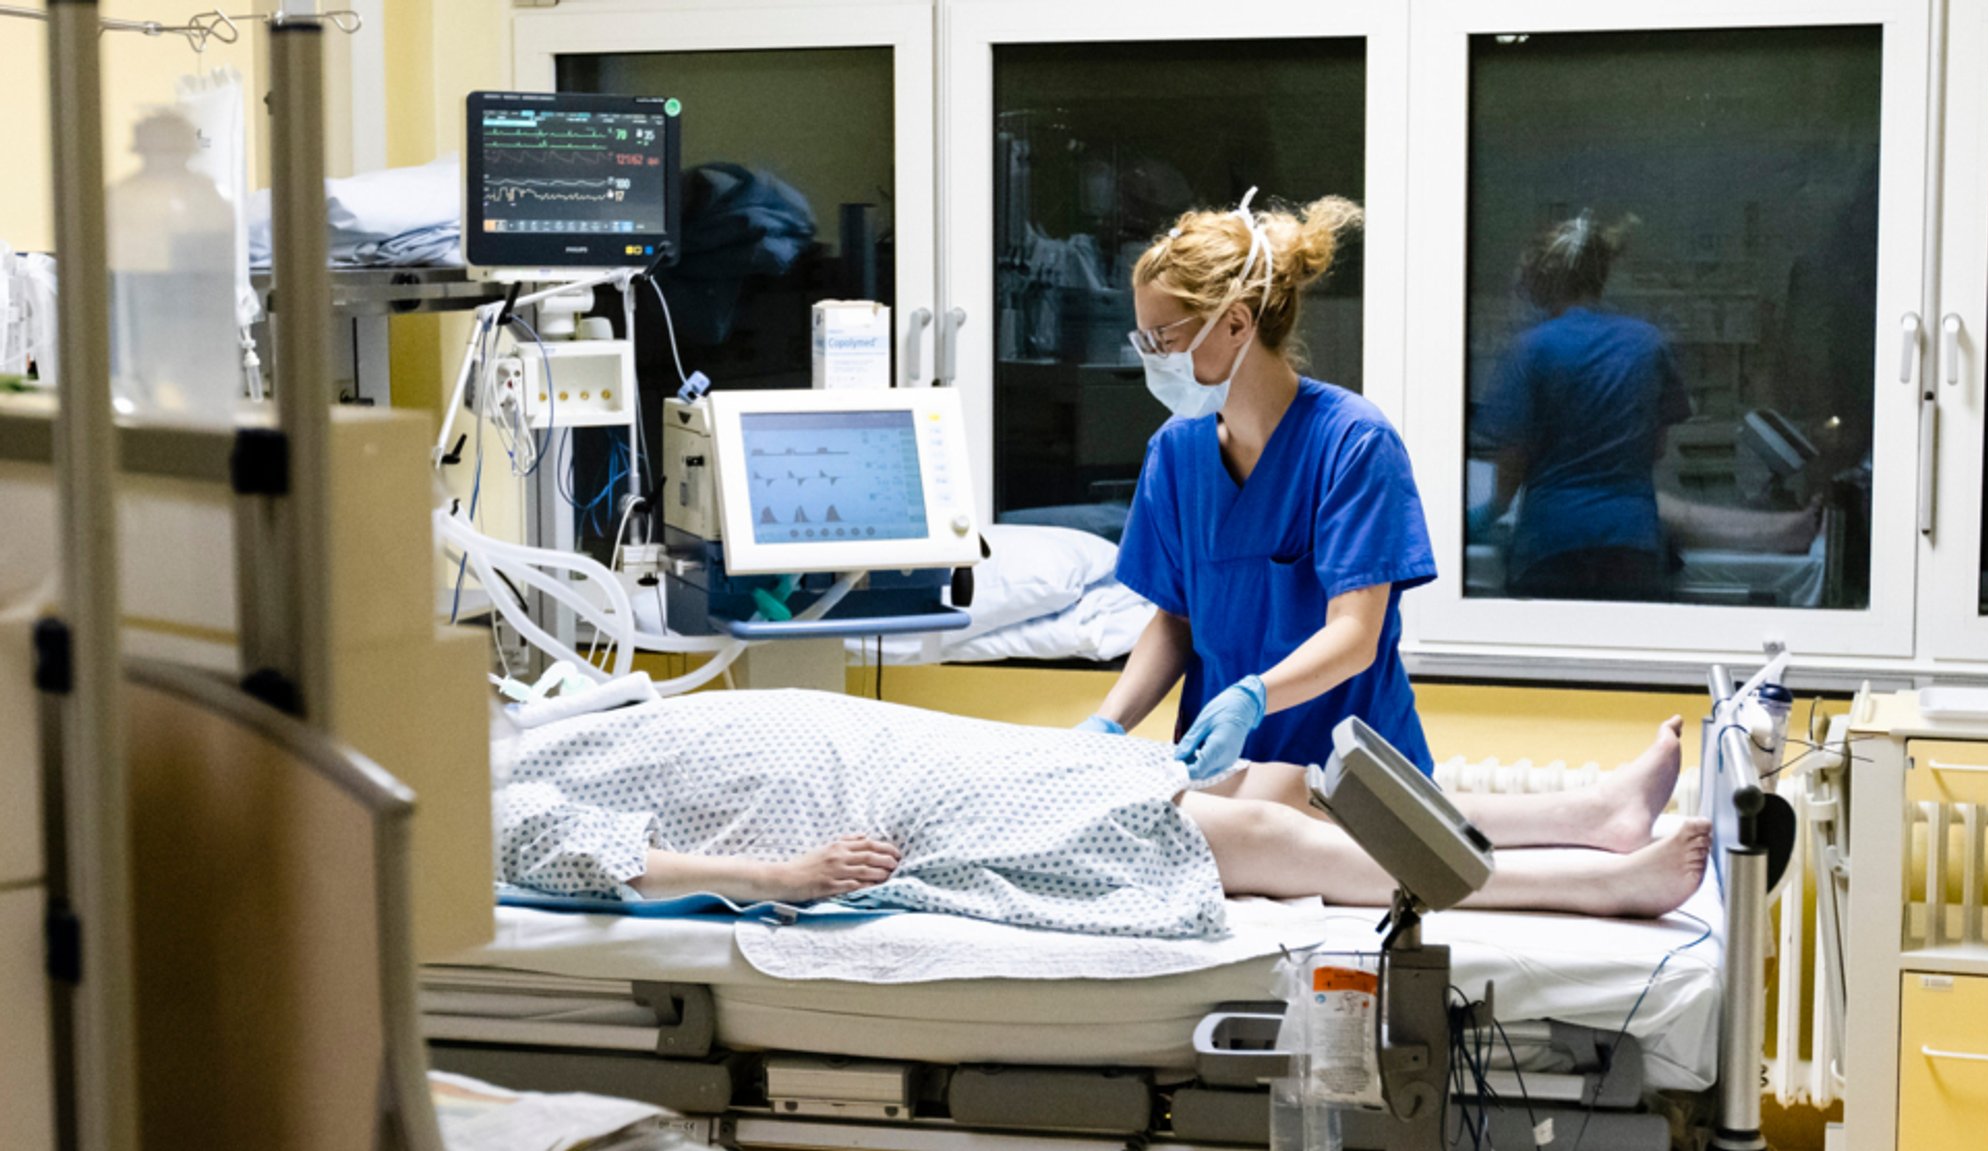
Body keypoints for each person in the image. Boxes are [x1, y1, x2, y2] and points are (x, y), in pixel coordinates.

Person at [495, 690, 1709, 940]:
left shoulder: (489, 713)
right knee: (1247, 835)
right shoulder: (461, 789)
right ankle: (1591, 877)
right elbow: (598, 855)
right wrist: (779, 874)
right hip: (878, 802)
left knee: (1262, 783)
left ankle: (1581, 811)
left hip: (901, 746)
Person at [1077, 189, 1438, 783]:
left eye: (1162, 339)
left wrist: (1254, 697)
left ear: (1237, 323)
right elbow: (1176, 621)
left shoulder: (1353, 443)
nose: (1151, 358)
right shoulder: (1175, 453)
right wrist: (1109, 724)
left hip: (1352, 781)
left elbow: (1354, 634)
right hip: (1228, 778)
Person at [1472, 212, 1820, 602]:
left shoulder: (1531, 349)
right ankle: (1786, 530)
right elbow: (1654, 448)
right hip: (1632, 545)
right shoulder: (1646, 343)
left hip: (1551, 545)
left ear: (1540, 281)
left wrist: (1487, 515)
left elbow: (1511, 464)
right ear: (1602, 275)